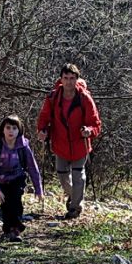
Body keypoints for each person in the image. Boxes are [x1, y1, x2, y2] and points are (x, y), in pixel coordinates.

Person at [36, 63, 101, 219]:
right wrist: (42, 130)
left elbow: (95, 123)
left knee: (79, 176)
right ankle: (75, 196)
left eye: (72, 78)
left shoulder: (84, 98)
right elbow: (44, 117)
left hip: (79, 144)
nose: (69, 82)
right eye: (66, 78)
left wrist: (89, 131)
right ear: (61, 79)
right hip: (60, 144)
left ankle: (75, 208)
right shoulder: (53, 97)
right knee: (63, 176)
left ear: (77, 79)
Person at [0, 115, 43, 241]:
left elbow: (33, 168)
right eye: (8, 127)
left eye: (14, 128)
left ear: (19, 130)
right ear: (3, 130)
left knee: (15, 201)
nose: (11, 131)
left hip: (18, 178)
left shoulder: (24, 147)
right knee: (5, 205)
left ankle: (16, 229)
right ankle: (7, 229)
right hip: (1, 180)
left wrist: (38, 189)